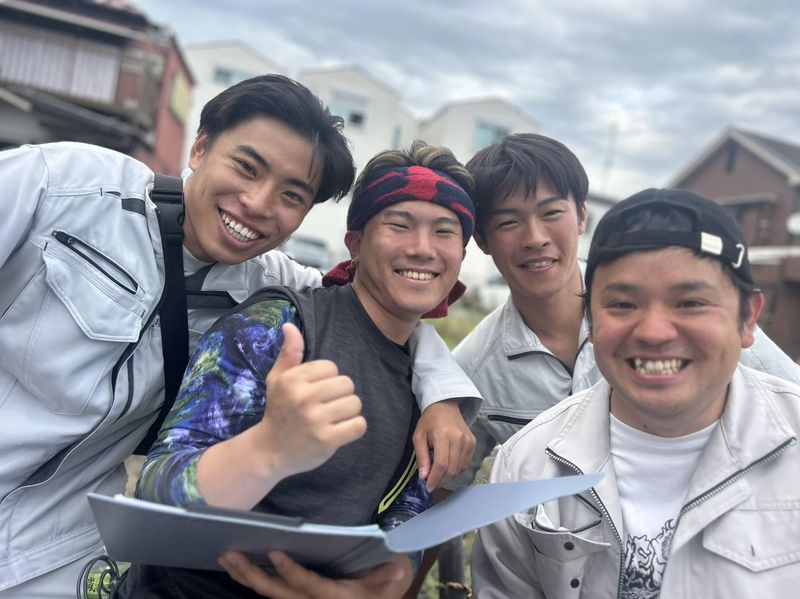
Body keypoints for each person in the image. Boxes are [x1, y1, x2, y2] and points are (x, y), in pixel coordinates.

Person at [0, 76, 479, 598]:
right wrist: (270, 449)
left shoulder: (266, 280)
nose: (256, 202)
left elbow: (382, 311)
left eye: (291, 195)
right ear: (200, 146)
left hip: (52, 554)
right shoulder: (62, 184)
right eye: (247, 168)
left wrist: (444, 396)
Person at [406, 134, 799, 596]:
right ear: (483, 240)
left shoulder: (696, 318)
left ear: (581, 216)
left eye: (551, 212)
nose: (535, 238)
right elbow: (443, 492)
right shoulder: (477, 371)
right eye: (508, 221)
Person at [112, 141, 476, 598]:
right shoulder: (278, 325)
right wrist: (269, 448)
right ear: (356, 243)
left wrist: (391, 576)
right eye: (399, 225)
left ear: (461, 255)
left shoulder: (431, 390)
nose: (422, 249)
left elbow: (406, 510)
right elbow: (157, 488)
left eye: (444, 232)